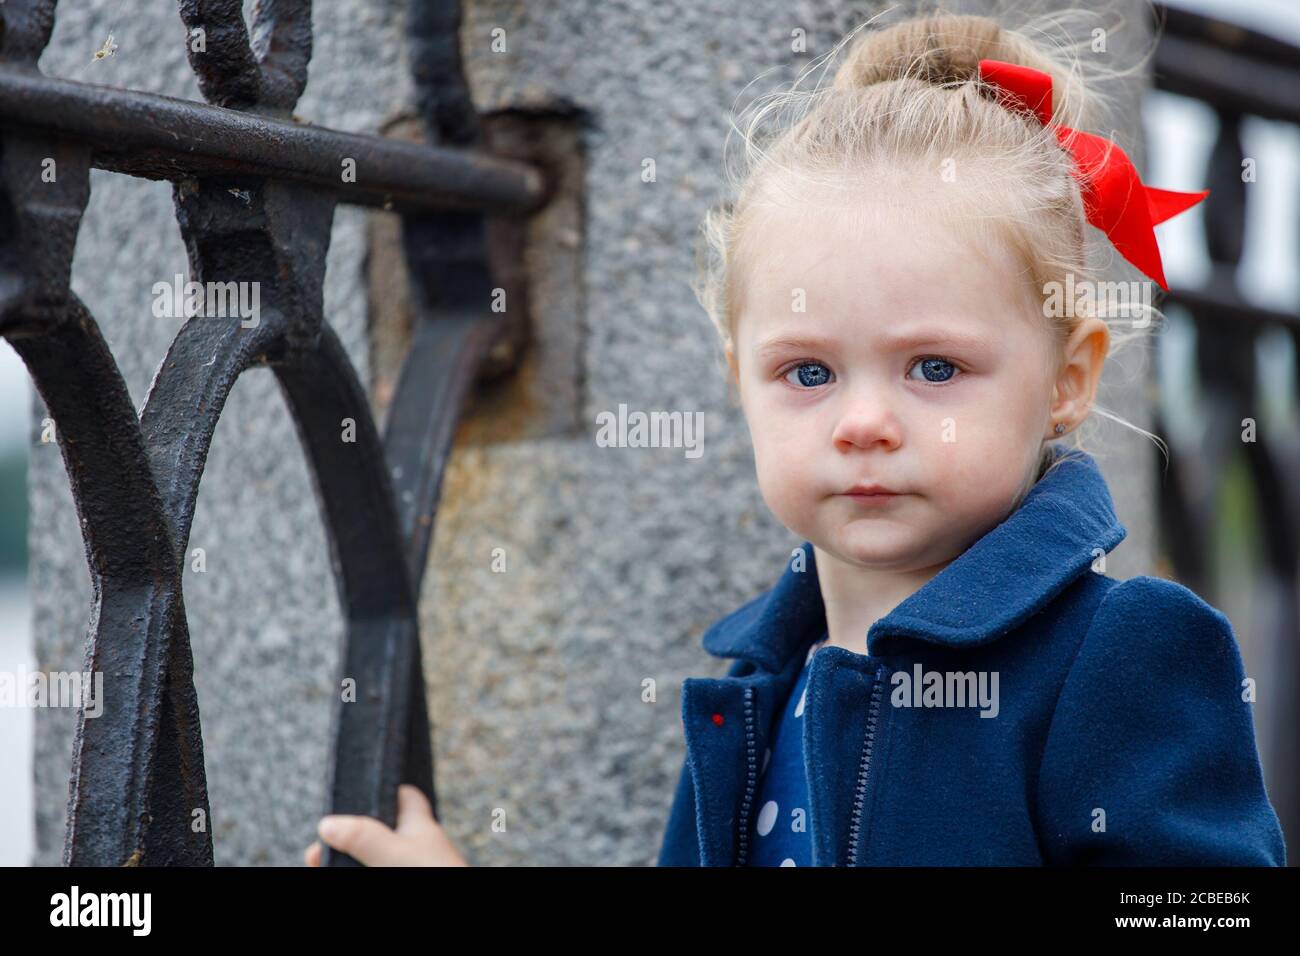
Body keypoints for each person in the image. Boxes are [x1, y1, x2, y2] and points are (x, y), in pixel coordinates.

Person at [306, 5, 1287, 867]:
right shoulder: (753, 683)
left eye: (934, 368)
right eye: (807, 372)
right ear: (739, 377)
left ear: (1068, 377)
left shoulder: (1118, 648)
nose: (863, 422)